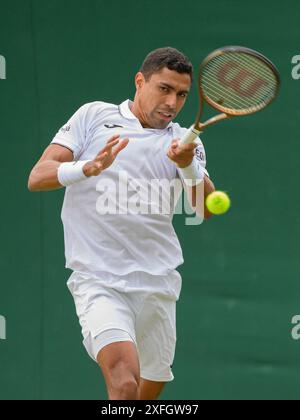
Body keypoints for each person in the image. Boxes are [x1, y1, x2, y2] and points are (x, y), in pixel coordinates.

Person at [28, 47, 215, 400]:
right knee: (124, 384)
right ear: (139, 81)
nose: (173, 103)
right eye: (164, 89)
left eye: (182, 94)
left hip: (158, 283)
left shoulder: (186, 142)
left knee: (146, 393)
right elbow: (38, 176)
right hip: (99, 279)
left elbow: (204, 208)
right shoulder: (94, 117)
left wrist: (188, 164)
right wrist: (87, 167)